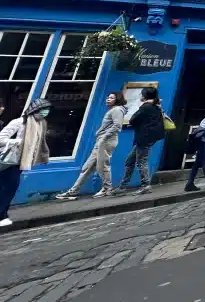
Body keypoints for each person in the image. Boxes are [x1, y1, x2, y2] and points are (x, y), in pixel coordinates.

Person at [56, 92, 128, 200]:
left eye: (111, 98)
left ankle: (106, 189)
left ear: (117, 99)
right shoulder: (113, 110)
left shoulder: (117, 110)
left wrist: (104, 137)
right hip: (101, 141)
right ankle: (73, 190)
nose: (108, 99)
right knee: (88, 167)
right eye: (107, 97)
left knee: (103, 166)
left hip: (106, 141)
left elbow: (117, 126)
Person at [0, 100, 51, 228]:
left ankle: (3, 214)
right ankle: (2, 215)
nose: (45, 112)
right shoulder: (18, 122)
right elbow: (1, 139)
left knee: (9, 188)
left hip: (20, 161)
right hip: (8, 160)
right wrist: (18, 142)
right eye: (43, 109)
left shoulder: (41, 124)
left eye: (47, 110)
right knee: (9, 187)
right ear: (34, 109)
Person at [113, 87, 164, 196]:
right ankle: (123, 186)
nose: (140, 96)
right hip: (148, 138)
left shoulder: (146, 107)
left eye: (141, 94)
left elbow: (132, 120)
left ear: (145, 96)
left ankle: (145, 186)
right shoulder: (156, 107)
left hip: (143, 138)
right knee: (130, 161)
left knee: (142, 162)